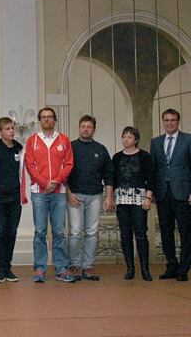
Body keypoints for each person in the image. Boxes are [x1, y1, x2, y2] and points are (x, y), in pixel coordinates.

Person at [25, 107, 74, 283]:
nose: (47, 120)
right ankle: (39, 269)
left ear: (54, 120)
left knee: (59, 232)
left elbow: (68, 164)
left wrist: (57, 181)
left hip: (59, 192)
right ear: (40, 120)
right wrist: (45, 184)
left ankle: (61, 269)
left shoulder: (64, 140)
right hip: (39, 193)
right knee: (40, 232)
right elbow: (30, 165)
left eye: (50, 117)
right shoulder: (32, 141)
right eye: (44, 117)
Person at [66, 115, 114, 281]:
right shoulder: (70, 147)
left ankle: (88, 266)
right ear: (79, 128)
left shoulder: (101, 149)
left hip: (95, 196)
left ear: (94, 129)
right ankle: (74, 265)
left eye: (89, 127)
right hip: (75, 196)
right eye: (83, 126)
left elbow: (109, 174)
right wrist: (69, 194)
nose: (86, 129)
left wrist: (109, 197)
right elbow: (62, 174)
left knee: (92, 232)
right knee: (74, 232)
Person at [107, 126, 155, 281]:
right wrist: (111, 198)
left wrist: (148, 197)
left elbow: (151, 178)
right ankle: (130, 268)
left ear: (136, 140)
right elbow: (112, 179)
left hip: (139, 199)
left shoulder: (144, 156)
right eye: (124, 136)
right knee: (126, 234)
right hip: (121, 199)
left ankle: (145, 269)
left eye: (129, 137)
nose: (126, 139)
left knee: (141, 233)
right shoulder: (117, 157)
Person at [150, 109, 191, 281]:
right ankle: (171, 266)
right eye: (166, 120)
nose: (169, 123)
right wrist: (151, 191)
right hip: (162, 193)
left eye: (173, 120)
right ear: (163, 121)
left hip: (182, 192)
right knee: (166, 231)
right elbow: (153, 168)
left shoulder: (188, 139)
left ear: (178, 121)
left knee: (186, 231)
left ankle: (183, 268)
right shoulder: (156, 142)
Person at [0, 117, 27, 283]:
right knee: (0, 232)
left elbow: (22, 173)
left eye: (12, 128)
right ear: (0, 132)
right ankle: (1, 269)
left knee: (12, 233)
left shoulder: (19, 150)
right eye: (7, 129)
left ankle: (8, 268)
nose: (11, 131)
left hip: (14, 197)